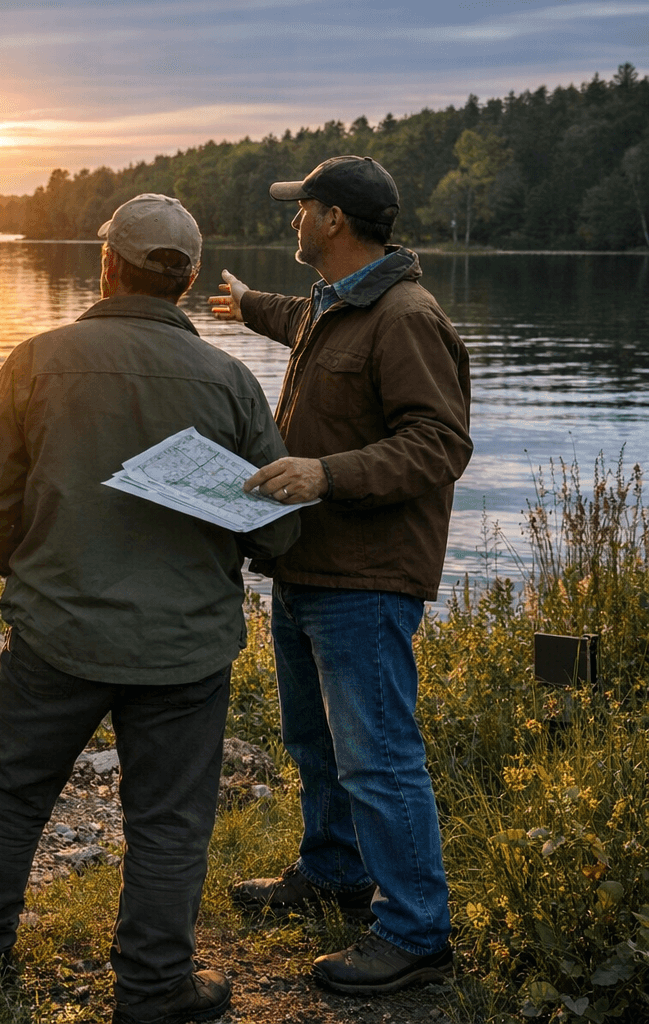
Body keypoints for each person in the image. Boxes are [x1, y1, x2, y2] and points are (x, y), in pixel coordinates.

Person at [0, 193, 301, 1024]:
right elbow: (278, 535)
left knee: (11, 794)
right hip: (183, 649)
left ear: (108, 264)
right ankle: (151, 989)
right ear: (182, 283)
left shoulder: (37, 361)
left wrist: (29, 573)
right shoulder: (231, 382)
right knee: (170, 824)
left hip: (56, 634)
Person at [208, 155, 472, 995]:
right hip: (308, 567)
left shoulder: (407, 316)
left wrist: (326, 473)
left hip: (365, 578)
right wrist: (248, 306)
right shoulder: (338, 303)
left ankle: (417, 933)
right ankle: (333, 874)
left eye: (303, 207)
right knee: (314, 742)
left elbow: (440, 445)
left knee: (379, 758)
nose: (294, 218)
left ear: (334, 220)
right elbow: (303, 322)